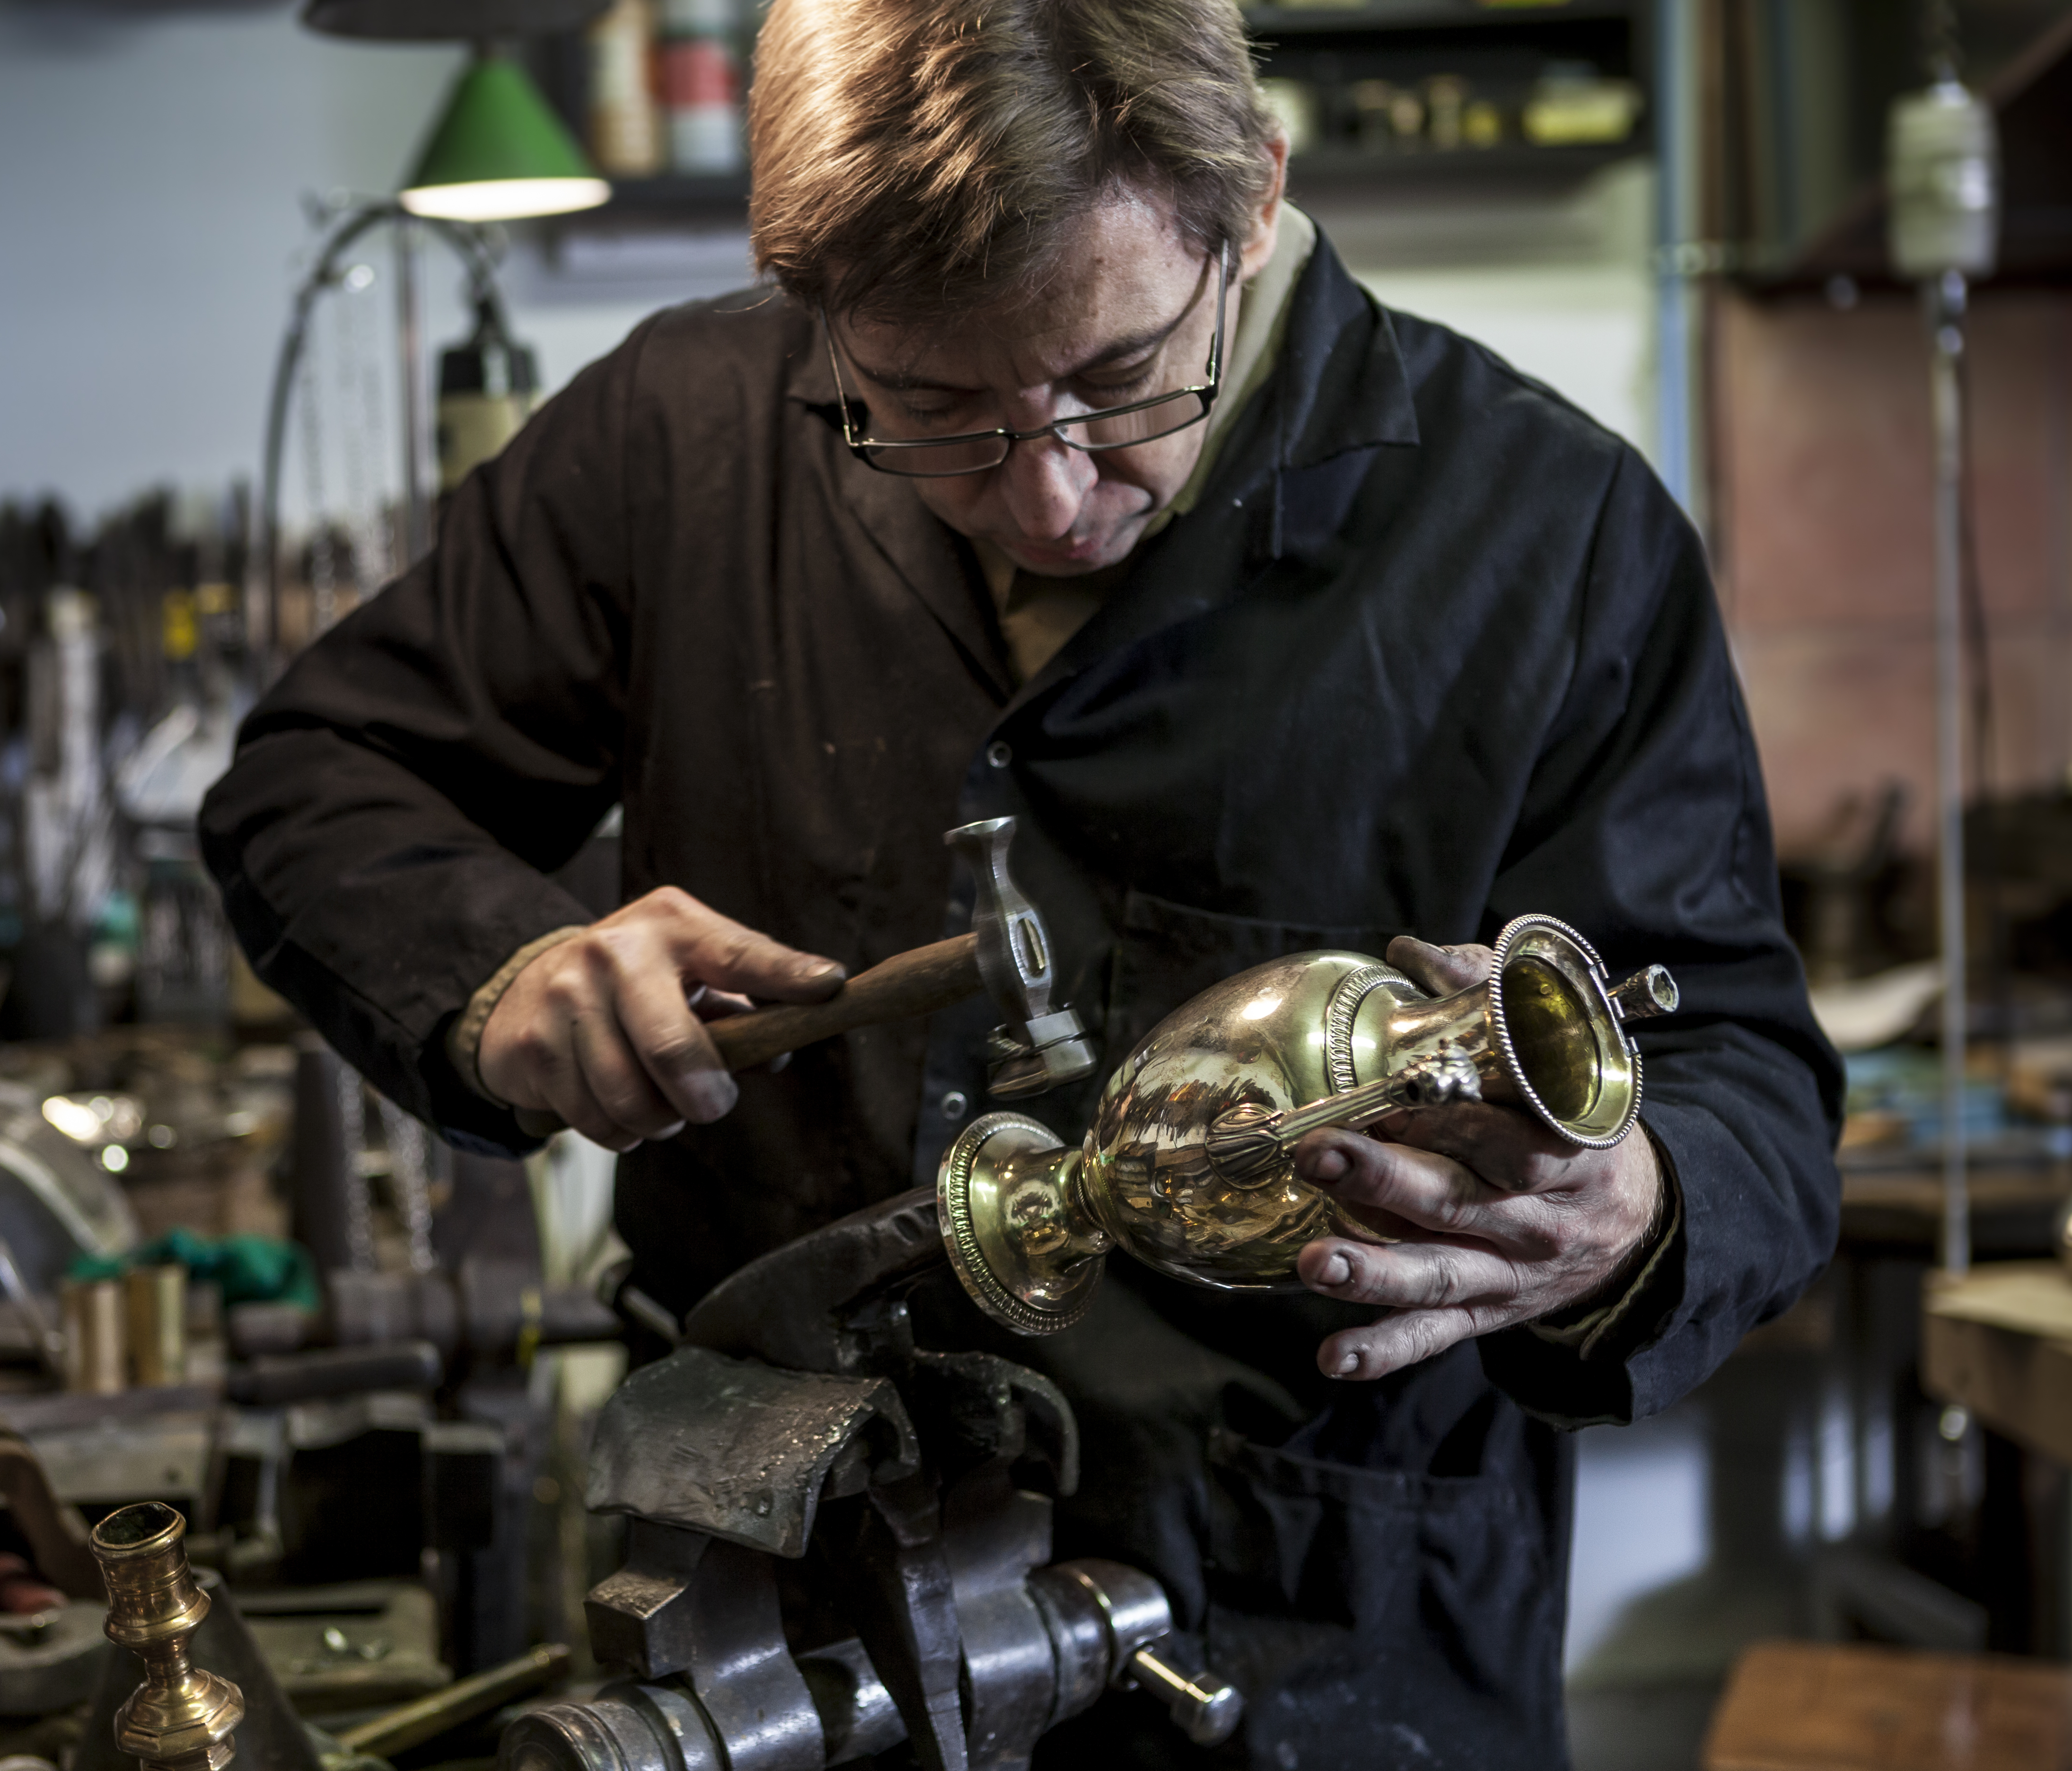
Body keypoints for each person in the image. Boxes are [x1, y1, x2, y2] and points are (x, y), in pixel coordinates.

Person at [203, 0, 1840, 1762]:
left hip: (1310, 1636)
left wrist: (1639, 1206)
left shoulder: (1549, 531)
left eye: (1121, 378)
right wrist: (503, 970)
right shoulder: (679, 438)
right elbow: (317, 781)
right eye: (929, 409)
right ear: (811, 309)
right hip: (774, 1608)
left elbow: (1739, 1063)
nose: (1050, 496)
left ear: (1255, 195)